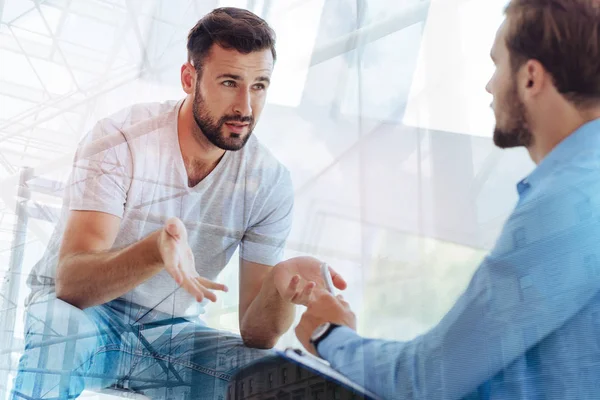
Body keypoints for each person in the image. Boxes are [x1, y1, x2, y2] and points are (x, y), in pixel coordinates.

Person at [12, 7, 346, 400]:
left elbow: (256, 334)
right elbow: (72, 285)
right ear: (190, 78)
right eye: (229, 82)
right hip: (85, 319)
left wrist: (281, 284)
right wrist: (154, 251)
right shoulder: (122, 139)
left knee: (279, 377)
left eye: (259, 85)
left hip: (173, 338)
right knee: (61, 333)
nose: (246, 107)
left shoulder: (269, 182)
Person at [295, 0, 600, 399]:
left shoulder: (569, 202)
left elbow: (427, 379)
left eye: (497, 64)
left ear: (530, 77)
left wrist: (329, 332)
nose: (490, 86)